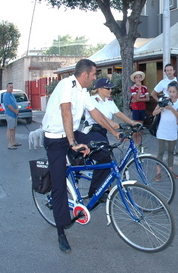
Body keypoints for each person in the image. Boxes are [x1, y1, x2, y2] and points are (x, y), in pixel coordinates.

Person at [42, 59, 121, 253]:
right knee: (59, 185)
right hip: (56, 139)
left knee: (104, 153)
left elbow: (95, 113)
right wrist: (73, 144)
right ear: (85, 74)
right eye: (94, 75)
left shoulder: (83, 91)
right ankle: (61, 230)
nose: (95, 78)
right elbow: (66, 112)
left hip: (72, 133)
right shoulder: (66, 85)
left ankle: (95, 193)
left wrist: (113, 132)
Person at [85, 78, 138, 198]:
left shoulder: (109, 100)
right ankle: (94, 192)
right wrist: (115, 126)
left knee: (110, 159)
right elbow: (101, 117)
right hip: (93, 130)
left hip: (104, 131)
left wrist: (132, 122)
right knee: (105, 158)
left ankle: (105, 186)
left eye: (111, 88)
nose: (110, 90)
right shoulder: (92, 100)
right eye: (107, 88)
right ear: (99, 88)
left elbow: (118, 113)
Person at [152, 82, 178, 179]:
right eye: (170, 91)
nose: (172, 94)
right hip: (162, 129)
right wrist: (161, 107)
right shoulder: (162, 99)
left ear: (177, 92)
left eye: (174, 91)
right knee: (161, 151)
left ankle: (171, 171)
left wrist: (171, 108)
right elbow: (154, 113)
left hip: (172, 130)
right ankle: (158, 172)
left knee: (170, 151)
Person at [129, 71, 149, 147]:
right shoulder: (133, 88)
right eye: (136, 77)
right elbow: (136, 97)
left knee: (140, 126)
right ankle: (135, 143)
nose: (138, 79)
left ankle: (139, 143)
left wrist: (138, 100)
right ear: (134, 79)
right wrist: (139, 88)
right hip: (135, 108)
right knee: (135, 126)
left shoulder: (145, 88)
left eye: (139, 77)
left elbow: (147, 99)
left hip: (142, 108)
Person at [3, 82, 20, 150]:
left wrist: (17, 110)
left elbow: (15, 103)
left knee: (13, 128)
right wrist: (15, 111)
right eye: (10, 87)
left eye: (12, 87)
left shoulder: (11, 94)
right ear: (7, 88)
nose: (11, 88)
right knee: (10, 129)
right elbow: (9, 106)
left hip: (14, 114)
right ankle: (9, 144)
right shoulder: (6, 95)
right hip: (10, 114)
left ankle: (14, 142)